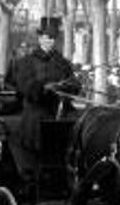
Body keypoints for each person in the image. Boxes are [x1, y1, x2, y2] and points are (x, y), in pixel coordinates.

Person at [9, 16, 78, 176]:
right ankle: (36, 173)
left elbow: (74, 85)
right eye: (47, 37)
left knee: (78, 125)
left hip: (61, 111)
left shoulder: (63, 62)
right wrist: (43, 87)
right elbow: (23, 87)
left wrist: (66, 86)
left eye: (53, 38)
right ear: (40, 37)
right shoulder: (25, 62)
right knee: (38, 126)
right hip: (36, 110)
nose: (50, 41)